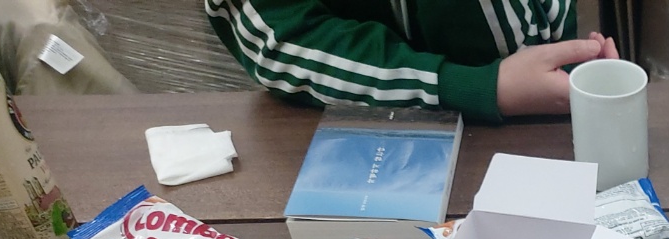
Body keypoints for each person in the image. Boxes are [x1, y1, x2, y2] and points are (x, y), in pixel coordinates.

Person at [205, 0, 618, 122]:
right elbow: (278, 42)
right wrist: (466, 86)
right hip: (336, 118)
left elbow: (534, 39)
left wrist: (564, 68)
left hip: (526, 129)